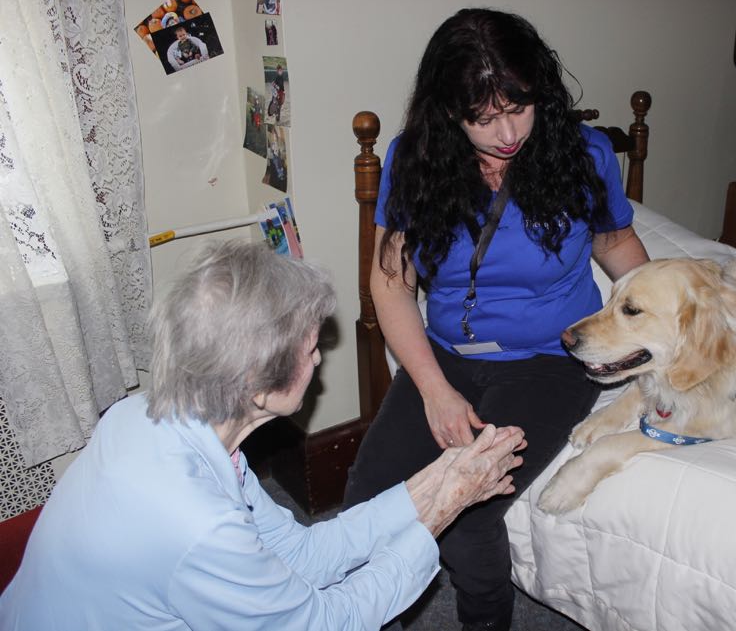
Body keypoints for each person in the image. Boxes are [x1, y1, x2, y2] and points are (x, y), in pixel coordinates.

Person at [0, 240, 527, 630]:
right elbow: (324, 624)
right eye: (310, 346)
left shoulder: (153, 417)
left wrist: (437, 479)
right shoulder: (196, 524)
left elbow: (304, 553)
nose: (319, 356)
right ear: (255, 383)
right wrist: (446, 508)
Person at [342, 8, 649, 631]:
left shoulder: (585, 154)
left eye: (519, 108)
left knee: (467, 511)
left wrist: (666, 318)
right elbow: (391, 285)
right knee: (364, 504)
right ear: (448, 112)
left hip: (550, 359)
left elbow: (618, 249)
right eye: (483, 119)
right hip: (448, 354)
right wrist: (433, 390)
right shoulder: (414, 159)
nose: (507, 132)